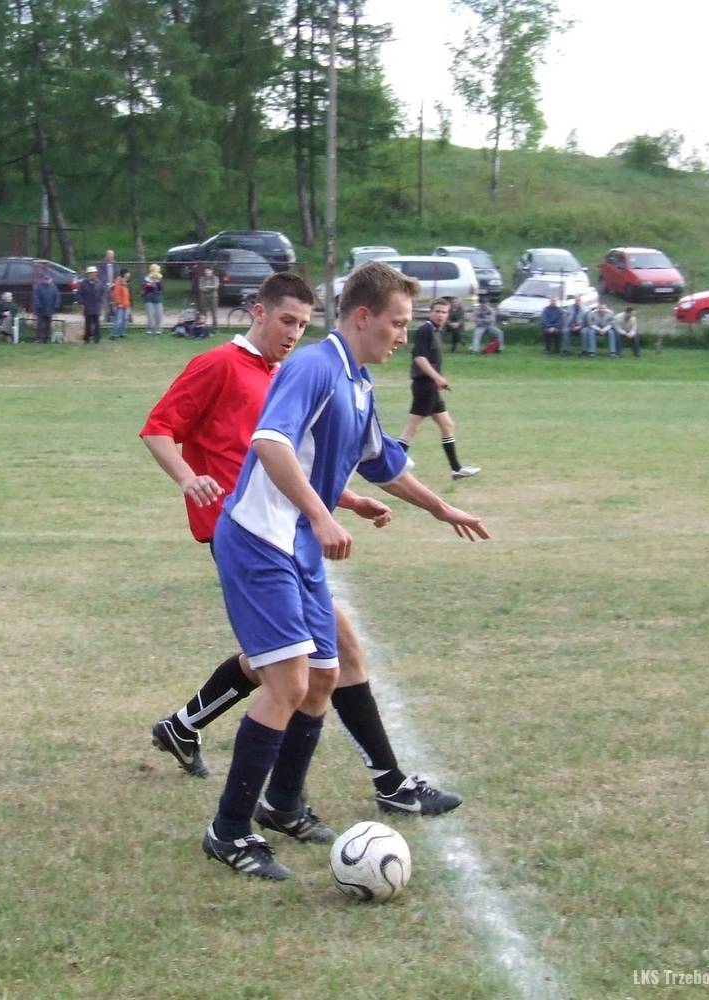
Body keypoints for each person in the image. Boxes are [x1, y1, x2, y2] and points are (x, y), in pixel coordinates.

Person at [195, 262, 489, 880]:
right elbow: (270, 442)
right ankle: (228, 831)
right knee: (288, 683)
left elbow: (383, 463)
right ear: (362, 317)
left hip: (296, 547)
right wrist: (320, 514)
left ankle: (283, 803)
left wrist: (441, 508)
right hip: (259, 540)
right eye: (397, 323)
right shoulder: (315, 367)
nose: (402, 335)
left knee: (327, 673)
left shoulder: (357, 382)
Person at [397, 297, 481, 479]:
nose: (441, 315)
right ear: (430, 312)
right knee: (411, 428)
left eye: (444, 312)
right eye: (437, 311)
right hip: (424, 386)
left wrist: (436, 380)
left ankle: (456, 469)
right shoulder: (426, 330)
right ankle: (390, 466)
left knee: (447, 425)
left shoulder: (436, 331)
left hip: (431, 387)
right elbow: (419, 358)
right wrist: (437, 377)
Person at [31, 266, 60, 343]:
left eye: (48, 279)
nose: (46, 280)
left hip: (50, 309)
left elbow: (57, 297)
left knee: (48, 324)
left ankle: (47, 338)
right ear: (43, 279)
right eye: (45, 279)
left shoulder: (54, 287)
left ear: (51, 279)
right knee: (40, 324)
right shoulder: (39, 287)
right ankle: (39, 338)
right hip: (40, 309)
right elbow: (36, 296)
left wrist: (56, 305)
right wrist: (38, 305)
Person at [78, 265, 105, 344]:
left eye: (95, 273)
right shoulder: (83, 283)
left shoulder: (99, 282)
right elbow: (79, 294)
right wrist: (82, 303)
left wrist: (100, 301)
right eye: (92, 273)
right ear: (88, 274)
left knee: (97, 323)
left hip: (96, 306)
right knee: (88, 323)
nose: (93, 275)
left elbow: (103, 292)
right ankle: (87, 339)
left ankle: (97, 338)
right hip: (87, 306)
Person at [198, 264, 221, 332]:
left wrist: (207, 287)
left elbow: (216, 287)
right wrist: (210, 288)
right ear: (205, 271)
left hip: (213, 297)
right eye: (206, 270)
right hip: (204, 297)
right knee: (204, 312)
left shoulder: (215, 278)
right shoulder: (202, 278)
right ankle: (203, 326)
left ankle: (215, 326)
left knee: (214, 311)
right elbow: (201, 287)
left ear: (212, 271)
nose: (207, 272)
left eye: (209, 270)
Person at [97, 249, 118, 322]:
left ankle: (113, 316)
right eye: (109, 256)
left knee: (113, 301)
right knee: (104, 301)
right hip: (104, 286)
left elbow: (117, 274)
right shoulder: (101, 264)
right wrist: (106, 283)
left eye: (112, 256)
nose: (111, 258)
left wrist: (114, 283)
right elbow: (100, 275)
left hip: (113, 285)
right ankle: (105, 317)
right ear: (106, 256)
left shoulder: (115, 264)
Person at [142, 263, 164, 334]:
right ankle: (150, 328)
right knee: (150, 314)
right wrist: (150, 285)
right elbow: (144, 289)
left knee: (159, 314)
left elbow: (161, 288)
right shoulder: (146, 279)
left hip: (158, 298)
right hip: (149, 298)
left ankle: (158, 328)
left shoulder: (160, 279)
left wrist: (157, 282)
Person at [109, 268, 131, 339]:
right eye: (127, 273)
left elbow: (127, 294)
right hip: (120, 304)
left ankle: (122, 333)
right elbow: (116, 293)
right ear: (124, 274)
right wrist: (119, 303)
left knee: (125, 319)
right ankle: (113, 334)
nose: (129, 274)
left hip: (125, 304)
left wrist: (128, 304)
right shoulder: (118, 282)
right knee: (118, 320)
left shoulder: (125, 282)